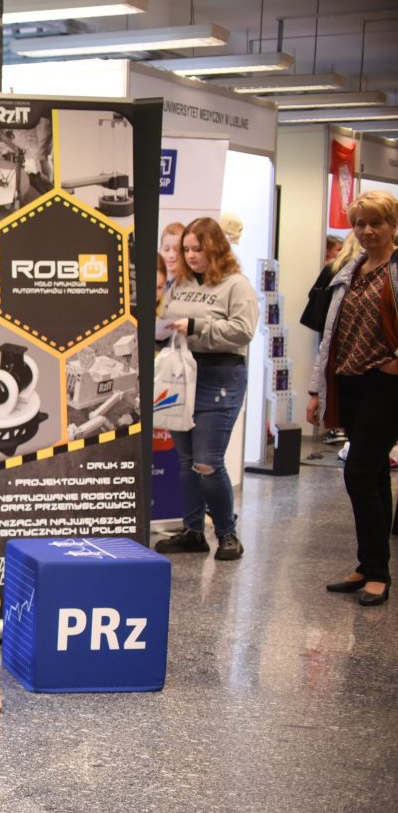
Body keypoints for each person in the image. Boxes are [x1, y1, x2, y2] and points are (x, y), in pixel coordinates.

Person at [306, 190, 398, 607]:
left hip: (386, 386)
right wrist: (316, 390)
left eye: (376, 222)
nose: (367, 230)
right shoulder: (351, 269)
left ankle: (377, 572)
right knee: (373, 474)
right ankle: (370, 564)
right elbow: (330, 335)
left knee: (358, 473)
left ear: (392, 226)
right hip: (350, 382)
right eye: (360, 223)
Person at [154, 216, 258, 561]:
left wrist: (197, 326)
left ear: (215, 247)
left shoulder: (236, 285)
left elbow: (243, 331)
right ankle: (193, 531)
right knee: (185, 461)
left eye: (197, 249)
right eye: (186, 249)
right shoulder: (180, 284)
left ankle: (227, 534)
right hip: (182, 377)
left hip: (220, 378)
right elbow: (167, 318)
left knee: (207, 462)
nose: (190, 255)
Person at [160, 221, 185, 293]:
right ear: (160, 250)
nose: (171, 255)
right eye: (166, 249)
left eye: (176, 250)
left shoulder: (188, 283)